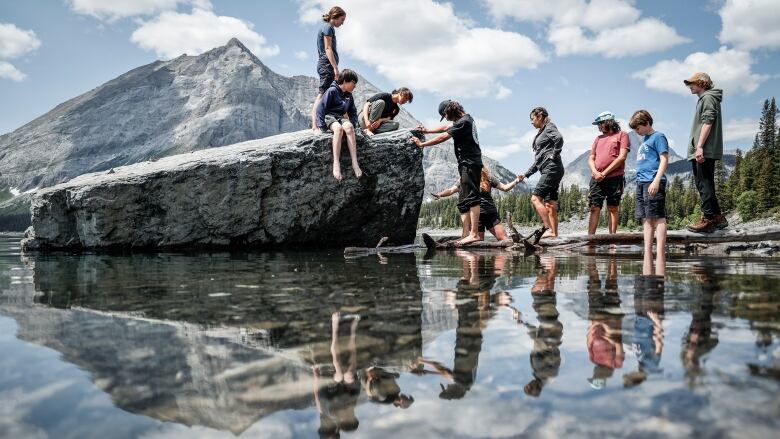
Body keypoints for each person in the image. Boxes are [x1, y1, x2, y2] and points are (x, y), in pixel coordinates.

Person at [413, 100, 483, 246]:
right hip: (465, 163)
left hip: (470, 163)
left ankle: (474, 234)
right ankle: (465, 234)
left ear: (450, 110)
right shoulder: (465, 119)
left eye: (444, 114)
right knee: (464, 199)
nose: (445, 118)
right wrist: (427, 130)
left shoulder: (464, 121)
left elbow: (444, 136)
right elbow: (446, 127)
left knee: (472, 196)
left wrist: (422, 144)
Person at [684, 72, 727, 233]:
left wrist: (699, 146)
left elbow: (708, 120)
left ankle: (708, 220)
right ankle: (718, 217)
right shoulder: (707, 98)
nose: (690, 86)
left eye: (692, 83)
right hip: (706, 149)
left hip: (704, 149)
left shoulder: (708, 98)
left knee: (704, 184)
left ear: (702, 83)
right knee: (706, 182)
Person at [431, 167, 521, 241]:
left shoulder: (488, 177)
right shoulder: (464, 179)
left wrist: (516, 181)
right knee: (478, 241)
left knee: (504, 239)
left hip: (490, 214)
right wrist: (440, 194)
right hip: (475, 217)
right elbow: (451, 190)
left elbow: (505, 188)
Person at [630, 110, 669, 276]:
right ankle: (647, 250)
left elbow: (664, 160)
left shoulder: (658, 137)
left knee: (658, 216)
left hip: (653, 181)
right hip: (641, 182)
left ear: (646, 123)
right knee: (646, 217)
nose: (636, 132)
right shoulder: (645, 139)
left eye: (638, 128)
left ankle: (660, 251)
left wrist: (656, 180)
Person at [517, 107, 564, 238]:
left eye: (532, 119)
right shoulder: (543, 131)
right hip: (552, 168)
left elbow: (559, 139)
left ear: (539, 116)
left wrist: (554, 155)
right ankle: (554, 234)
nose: (531, 122)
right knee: (550, 204)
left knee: (535, 198)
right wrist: (526, 174)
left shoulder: (549, 127)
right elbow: (539, 160)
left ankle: (548, 228)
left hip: (551, 168)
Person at [587, 111, 630, 235]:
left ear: (608, 122)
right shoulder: (598, 139)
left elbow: (622, 157)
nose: (598, 127)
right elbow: (591, 158)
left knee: (613, 208)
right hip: (596, 178)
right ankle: (590, 239)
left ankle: (612, 240)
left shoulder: (622, 135)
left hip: (615, 177)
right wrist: (595, 172)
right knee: (594, 207)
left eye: (600, 123)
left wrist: (604, 173)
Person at [316, 69, 362, 181]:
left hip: (340, 117)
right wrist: (322, 126)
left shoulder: (349, 96)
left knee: (349, 127)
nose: (354, 86)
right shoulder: (332, 90)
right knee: (338, 129)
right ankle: (336, 163)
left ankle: (354, 162)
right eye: (353, 83)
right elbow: (321, 108)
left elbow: (353, 112)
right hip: (329, 116)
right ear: (346, 81)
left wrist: (354, 123)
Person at [311, 6, 346, 132]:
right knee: (322, 94)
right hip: (327, 65)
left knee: (325, 94)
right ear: (335, 16)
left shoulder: (328, 28)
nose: (342, 23)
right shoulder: (328, 27)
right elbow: (328, 48)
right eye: (342, 19)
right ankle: (315, 126)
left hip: (326, 64)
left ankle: (320, 124)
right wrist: (335, 68)